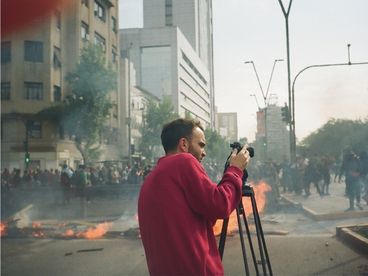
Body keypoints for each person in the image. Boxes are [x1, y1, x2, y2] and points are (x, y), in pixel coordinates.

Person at [138, 118, 250, 276]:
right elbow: (220, 205)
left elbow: (202, 217)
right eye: (201, 145)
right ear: (184, 144)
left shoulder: (152, 178)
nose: (204, 152)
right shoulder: (184, 161)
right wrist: (235, 170)